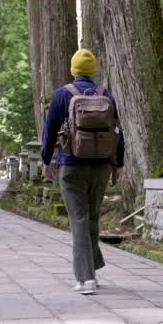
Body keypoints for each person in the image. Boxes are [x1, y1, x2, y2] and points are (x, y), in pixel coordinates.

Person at [42, 49, 124, 295]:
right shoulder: (105, 95)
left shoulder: (62, 95)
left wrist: (47, 161)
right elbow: (118, 132)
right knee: (92, 217)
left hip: (72, 164)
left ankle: (85, 278)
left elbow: (49, 132)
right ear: (93, 70)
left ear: (73, 69)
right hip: (100, 166)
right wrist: (118, 164)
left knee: (78, 219)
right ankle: (93, 269)